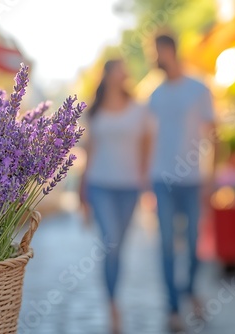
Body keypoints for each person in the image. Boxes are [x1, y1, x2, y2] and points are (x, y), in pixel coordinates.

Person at [148, 34, 216, 332]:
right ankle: (173, 307)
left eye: (157, 52)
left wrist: (212, 175)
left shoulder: (198, 90)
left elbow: (214, 134)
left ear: (169, 51)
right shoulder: (154, 95)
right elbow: (146, 139)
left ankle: (189, 288)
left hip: (192, 179)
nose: (155, 58)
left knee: (192, 244)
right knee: (165, 245)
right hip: (162, 179)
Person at [80, 59, 153, 334]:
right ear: (108, 75)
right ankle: (112, 307)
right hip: (100, 186)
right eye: (120, 69)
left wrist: (145, 180)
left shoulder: (139, 110)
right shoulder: (95, 111)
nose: (124, 74)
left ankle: (114, 296)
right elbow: (90, 152)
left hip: (129, 188)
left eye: (126, 70)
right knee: (110, 243)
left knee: (118, 248)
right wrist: (82, 195)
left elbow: (147, 144)